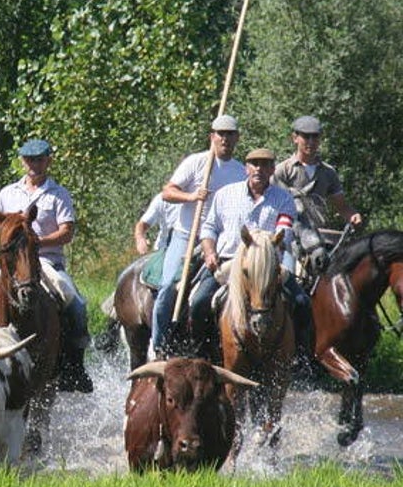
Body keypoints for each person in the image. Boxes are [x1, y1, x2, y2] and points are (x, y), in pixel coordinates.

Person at [0, 138, 93, 393]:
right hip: (10, 264)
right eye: (30, 159)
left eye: (40, 159)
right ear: (23, 162)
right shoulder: (8, 192)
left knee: (76, 304)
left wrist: (33, 243)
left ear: (48, 161)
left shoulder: (58, 194)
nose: (35, 164)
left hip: (46, 260)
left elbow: (67, 232)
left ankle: (75, 368)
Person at [150, 115, 248, 358]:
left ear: (236, 138)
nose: (224, 138)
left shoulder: (240, 171)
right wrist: (192, 197)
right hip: (187, 235)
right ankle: (159, 345)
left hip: (220, 240)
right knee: (168, 288)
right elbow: (167, 192)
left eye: (229, 134)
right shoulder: (196, 163)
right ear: (211, 136)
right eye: (220, 133)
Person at [189, 147, 308, 336]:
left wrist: (270, 244)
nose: (259, 169)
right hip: (227, 263)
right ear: (246, 168)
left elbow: (283, 232)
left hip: (268, 267)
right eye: (254, 164)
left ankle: (304, 359)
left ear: (272, 170)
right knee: (199, 302)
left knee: (302, 303)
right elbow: (208, 228)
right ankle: (198, 353)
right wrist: (210, 252)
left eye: (265, 165)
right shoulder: (224, 195)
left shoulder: (284, 198)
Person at [272, 115, 363, 231]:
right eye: (306, 136)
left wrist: (352, 216)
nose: (311, 141)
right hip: (291, 235)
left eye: (315, 137)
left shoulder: (328, 172)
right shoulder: (282, 170)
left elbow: (341, 206)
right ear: (295, 138)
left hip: (321, 237)